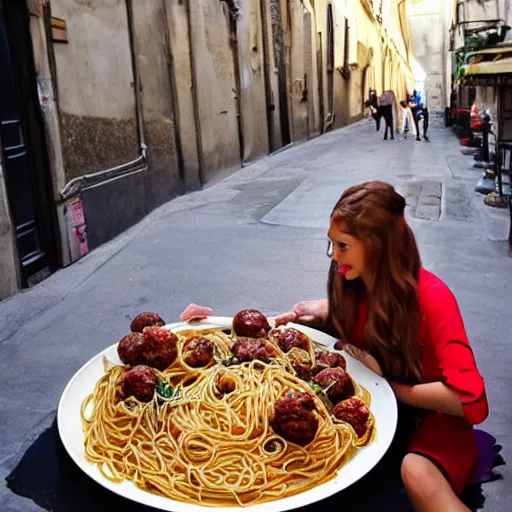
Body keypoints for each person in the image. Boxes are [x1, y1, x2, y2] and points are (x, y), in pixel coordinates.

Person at [180, 181, 489, 512]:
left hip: (430, 423)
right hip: (371, 417)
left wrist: (395, 389)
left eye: (343, 246)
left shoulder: (434, 297)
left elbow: (472, 401)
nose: (334, 256)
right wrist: (205, 329)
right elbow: (349, 322)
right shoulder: (355, 285)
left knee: (416, 474)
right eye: (331, 244)